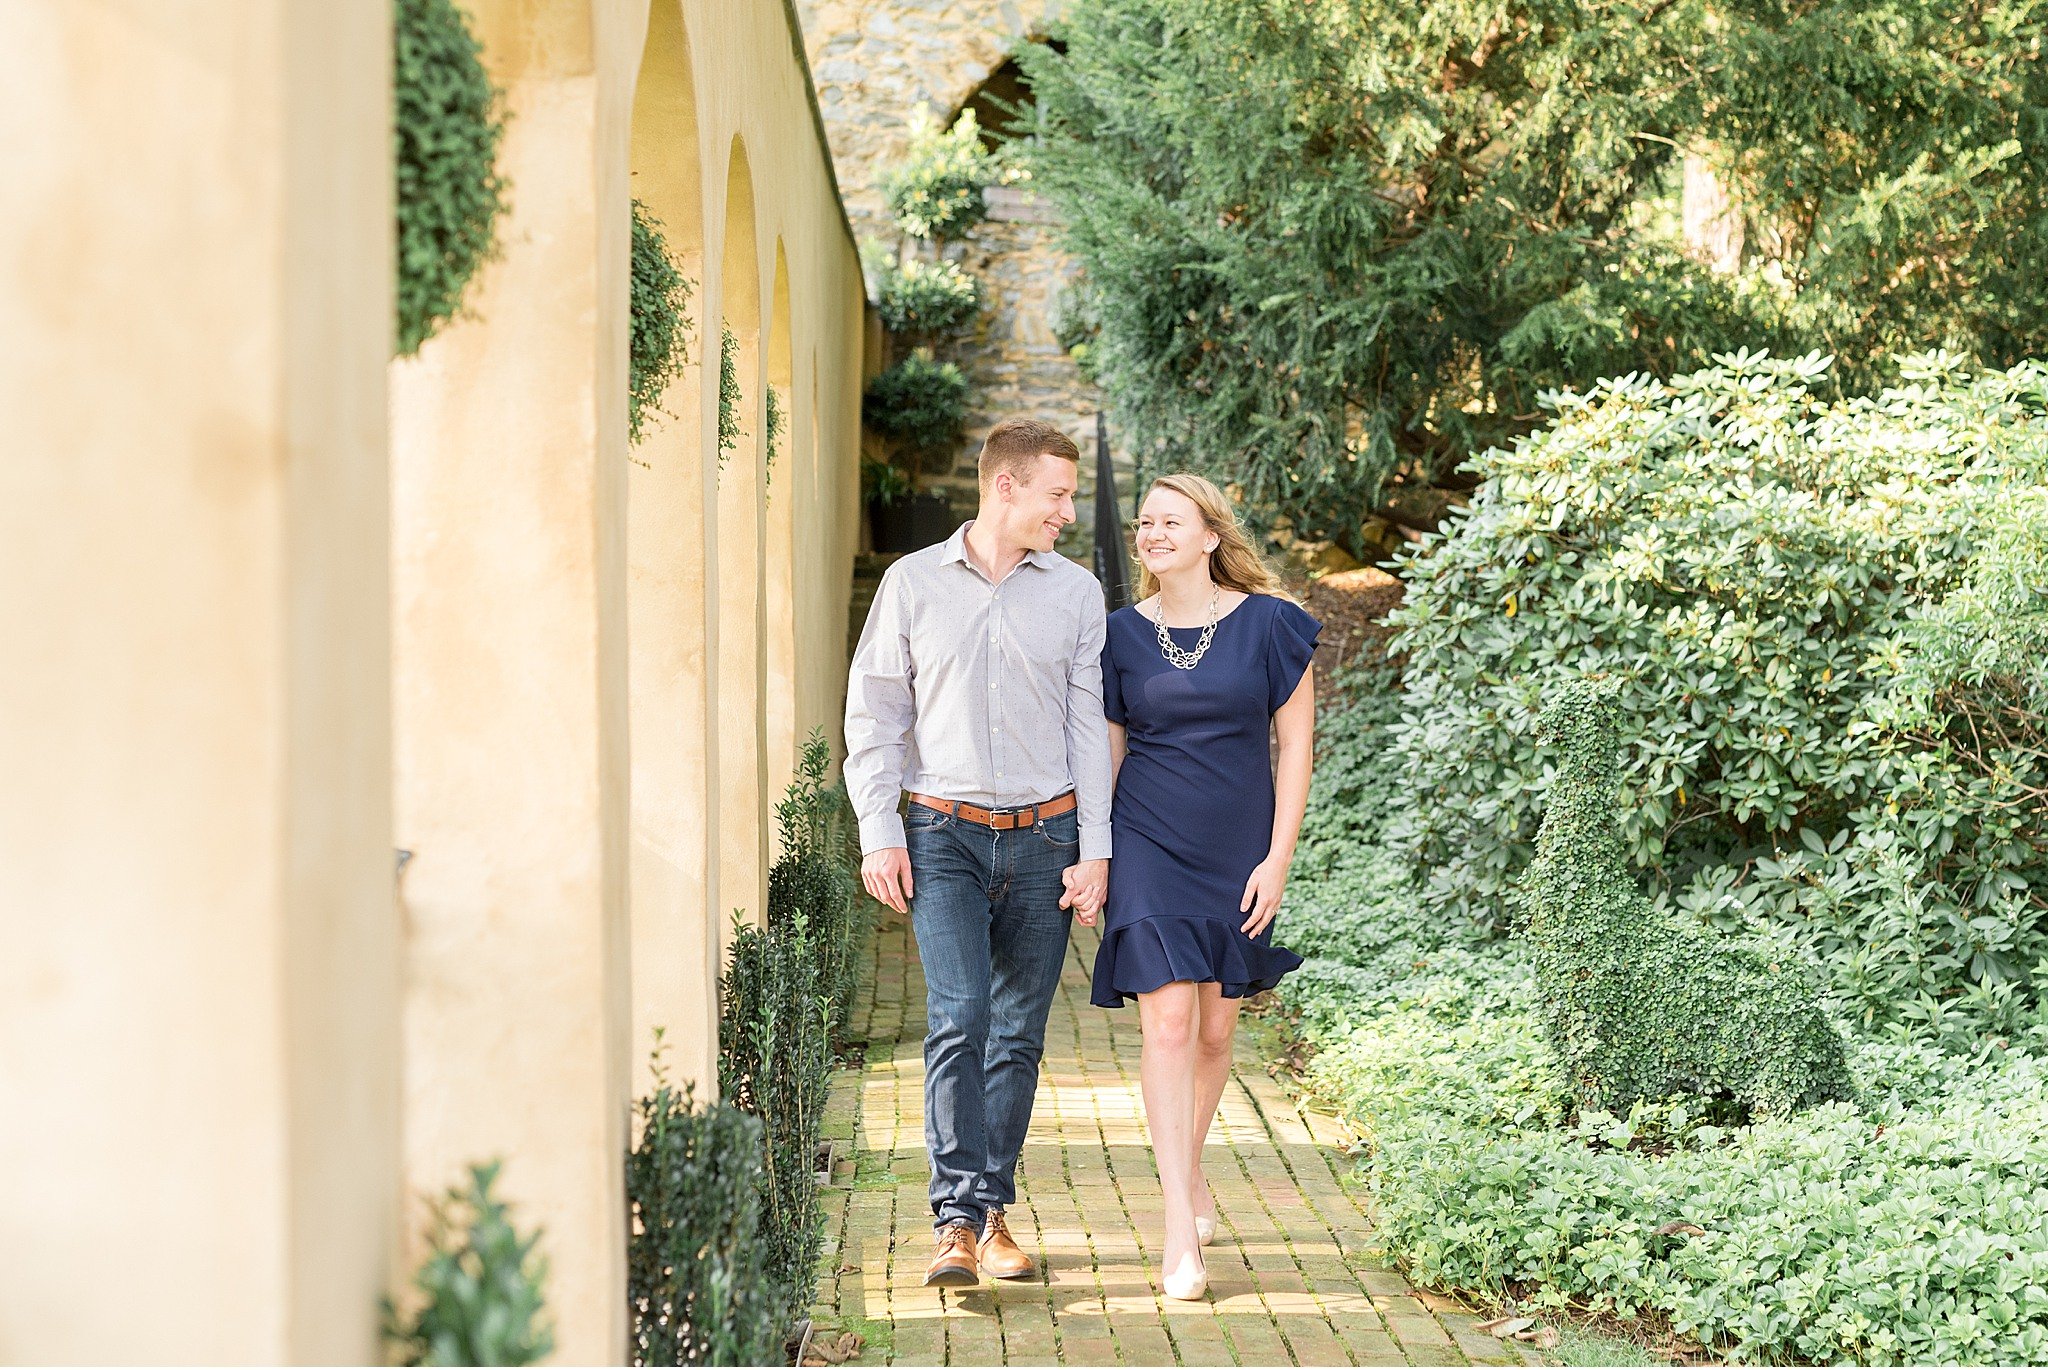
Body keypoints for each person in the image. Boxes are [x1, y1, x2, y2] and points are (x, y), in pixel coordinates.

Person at [843, 419, 1113, 1289]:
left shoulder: (1075, 594)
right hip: (942, 832)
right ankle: (954, 1221)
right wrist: (879, 832)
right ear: (1006, 487)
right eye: (1058, 494)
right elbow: (876, 717)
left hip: (1046, 838)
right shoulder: (912, 582)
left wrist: (1094, 850)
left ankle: (993, 1210)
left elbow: (1088, 729)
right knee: (959, 1017)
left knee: (1019, 1034)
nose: (1068, 511)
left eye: (1071, 496)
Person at [1088, 472, 1318, 1302]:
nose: (1150, 532)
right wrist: (1098, 857)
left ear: (1211, 535)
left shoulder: (1272, 625)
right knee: (1172, 1020)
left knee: (1218, 1033)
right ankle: (1176, 1225)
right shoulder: (1117, 634)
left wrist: (1278, 857)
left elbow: (1293, 747)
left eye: (1168, 520)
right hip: (1147, 840)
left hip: (1237, 849)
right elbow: (1107, 754)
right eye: (1144, 522)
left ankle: (1188, 1171)